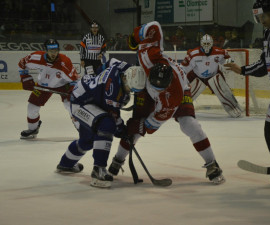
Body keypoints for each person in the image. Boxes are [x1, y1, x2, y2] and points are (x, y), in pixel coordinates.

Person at [108, 21, 225, 185]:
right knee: (133, 130)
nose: (158, 89)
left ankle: (212, 164)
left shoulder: (172, 97)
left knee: (190, 125)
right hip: (144, 87)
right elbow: (154, 26)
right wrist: (135, 37)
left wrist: (142, 125)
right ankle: (118, 159)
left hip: (180, 90)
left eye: (160, 88)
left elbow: (152, 125)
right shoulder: (149, 56)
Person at [225, 0, 270, 198]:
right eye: (258, 18)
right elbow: (265, 65)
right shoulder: (268, 33)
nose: (261, 21)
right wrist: (241, 70)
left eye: (264, 17)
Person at [56, 58, 147, 188]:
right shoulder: (113, 89)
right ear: (126, 79)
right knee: (106, 125)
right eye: (130, 88)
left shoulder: (125, 67)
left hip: (87, 97)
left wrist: (97, 78)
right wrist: (122, 130)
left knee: (87, 141)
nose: (129, 91)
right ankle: (99, 170)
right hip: (81, 104)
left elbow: (108, 62)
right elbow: (114, 117)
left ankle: (66, 163)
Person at [19, 39, 80, 139]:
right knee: (32, 107)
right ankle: (33, 129)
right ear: (45, 50)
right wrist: (25, 77)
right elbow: (21, 64)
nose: (54, 53)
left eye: (56, 50)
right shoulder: (36, 57)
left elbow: (74, 79)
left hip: (64, 85)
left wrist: (72, 90)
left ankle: (83, 130)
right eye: (51, 50)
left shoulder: (64, 61)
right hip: (43, 85)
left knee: (71, 107)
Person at [181, 34, 243, 117]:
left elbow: (227, 58)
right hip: (197, 76)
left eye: (208, 43)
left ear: (212, 43)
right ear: (201, 43)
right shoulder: (193, 54)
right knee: (187, 93)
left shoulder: (219, 52)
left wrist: (228, 63)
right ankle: (181, 109)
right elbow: (184, 68)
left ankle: (234, 108)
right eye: (205, 44)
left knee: (224, 91)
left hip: (213, 75)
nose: (206, 46)